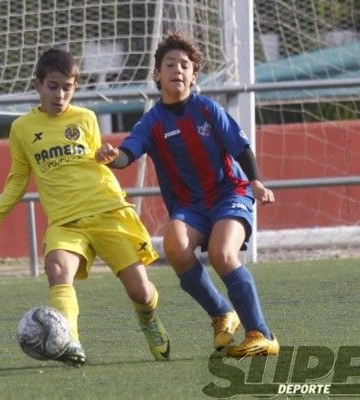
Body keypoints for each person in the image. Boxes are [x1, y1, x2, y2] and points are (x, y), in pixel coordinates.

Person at [0, 48, 170, 366]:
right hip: (65, 222)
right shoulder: (22, 129)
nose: (60, 94)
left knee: (142, 293)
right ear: (37, 84)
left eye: (67, 87)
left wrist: (107, 155)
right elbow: (17, 182)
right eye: (53, 85)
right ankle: (69, 343)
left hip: (107, 211)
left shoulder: (85, 118)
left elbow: (99, 160)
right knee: (58, 271)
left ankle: (148, 320)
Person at [95, 32, 279, 357]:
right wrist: (113, 157)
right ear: (157, 74)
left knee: (223, 255)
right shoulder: (152, 122)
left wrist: (256, 181)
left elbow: (240, 145)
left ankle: (261, 334)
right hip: (190, 207)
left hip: (228, 194)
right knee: (175, 246)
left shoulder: (207, 109)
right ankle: (221, 313)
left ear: (194, 76)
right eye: (170, 64)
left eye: (185, 65)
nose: (177, 70)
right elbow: (128, 153)